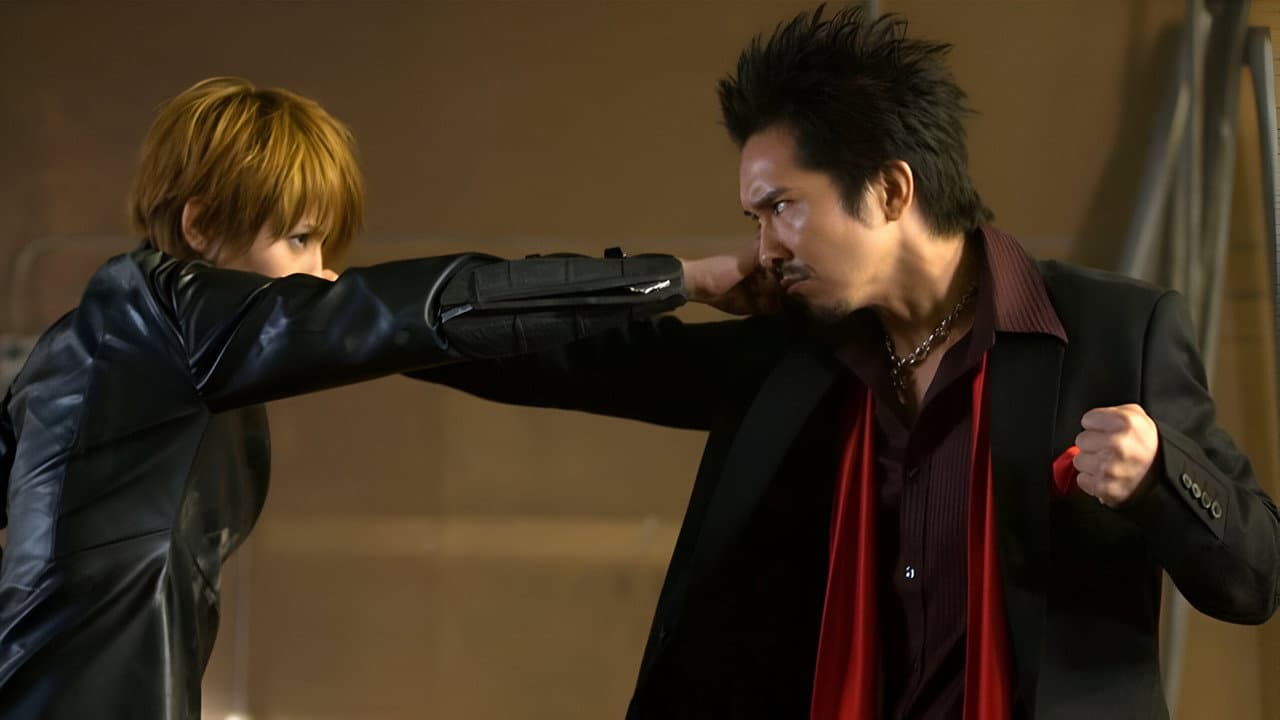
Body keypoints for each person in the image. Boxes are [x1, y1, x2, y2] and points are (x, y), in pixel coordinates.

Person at [421, 6, 1280, 718]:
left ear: (892, 190)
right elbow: (558, 360)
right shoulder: (797, 354)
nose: (766, 246)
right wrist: (674, 279)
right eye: (756, 218)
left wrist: (1161, 476)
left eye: (783, 208)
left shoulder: (1111, 330)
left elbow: (1256, 579)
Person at [0, 76, 687, 719]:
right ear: (201, 226)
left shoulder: (103, 336)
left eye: (322, 240)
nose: (319, 268)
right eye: (299, 238)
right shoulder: (165, 322)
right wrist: (674, 279)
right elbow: (406, 307)